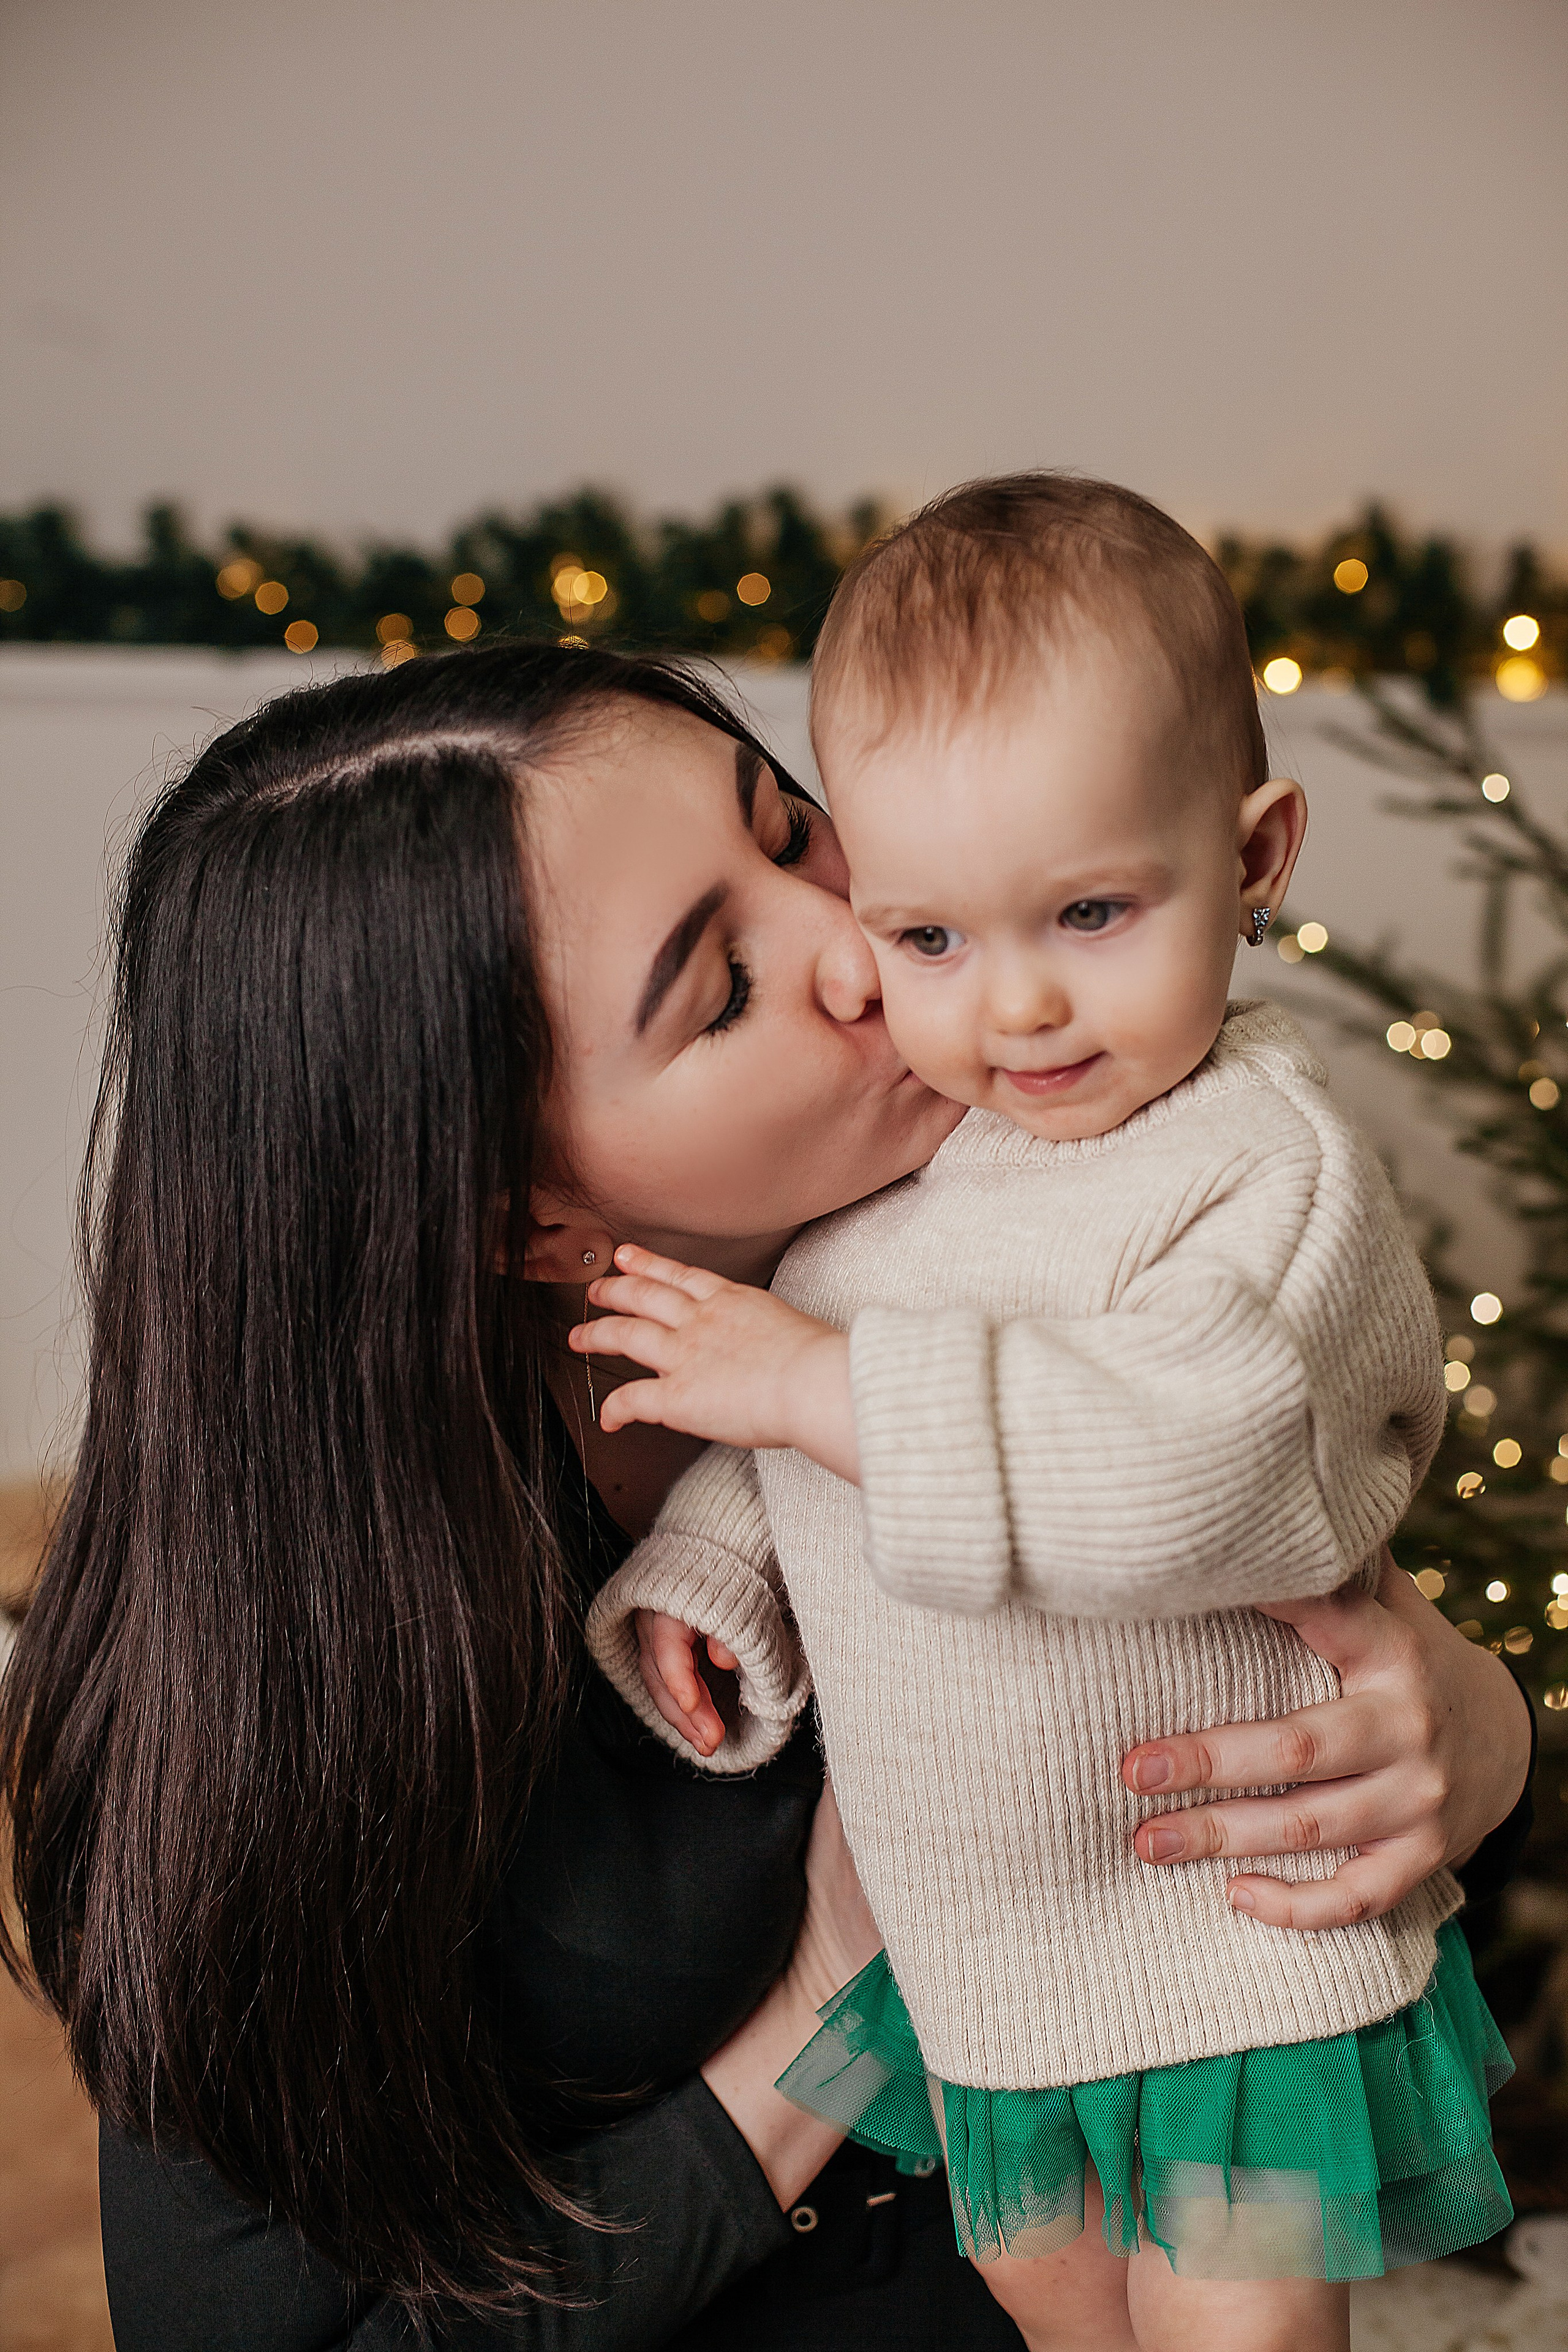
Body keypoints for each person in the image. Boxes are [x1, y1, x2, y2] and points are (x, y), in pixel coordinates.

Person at [0, 639, 1533, 2352]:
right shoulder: (267, 1666)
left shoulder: (1083, 1196)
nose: (865, 953)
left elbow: (1261, 1535)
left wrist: (1471, 1731)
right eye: (722, 987)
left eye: (793, 831)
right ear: (531, 1222)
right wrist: (822, 2020)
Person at [575, 479, 1517, 2352]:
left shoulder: (1259, 1168)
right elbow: (799, 1453)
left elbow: (1218, 1455)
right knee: (1045, 2297)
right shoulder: (893, 1208)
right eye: (926, 939)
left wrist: (818, 1385)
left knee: (1235, 2323)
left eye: (1089, 911)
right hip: (993, 1953)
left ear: (1257, 854)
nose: (1013, 1007)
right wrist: (709, 1585)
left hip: (1233, 1948)